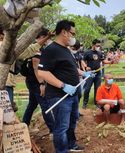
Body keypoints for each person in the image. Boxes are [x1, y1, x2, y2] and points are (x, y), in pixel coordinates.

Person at [38, 20, 87, 153]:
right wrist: (63, 85)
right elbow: (42, 71)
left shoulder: (66, 50)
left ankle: (71, 144)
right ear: (64, 32)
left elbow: (72, 68)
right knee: (61, 127)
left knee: (72, 121)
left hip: (73, 94)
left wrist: (84, 73)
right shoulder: (51, 50)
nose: (73, 37)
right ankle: (61, 150)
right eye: (72, 33)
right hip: (60, 96)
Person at [22, 28, 54, 134]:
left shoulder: (38, 48)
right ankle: (53, 130)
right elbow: (36, 68)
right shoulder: (37, 50)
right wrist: (41, 84)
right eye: (46, 38)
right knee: (45, 104)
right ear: (41, 38)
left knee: (32, 103)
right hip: (35, 81)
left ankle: (24, 125)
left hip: (31, 81)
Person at [83, 39, 113, 109]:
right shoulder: (87, 52)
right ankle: (85, 103)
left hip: (98, 73)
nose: (98, 47)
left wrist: (110, 62)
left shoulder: (100, 53)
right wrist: (86, 67)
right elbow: (82, 60)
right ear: (93, 45)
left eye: (99, 46)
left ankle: (97, 103)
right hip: (90, 74)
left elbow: (103, 61)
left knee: (97, 89)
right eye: (97, 45)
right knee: (87, 88)